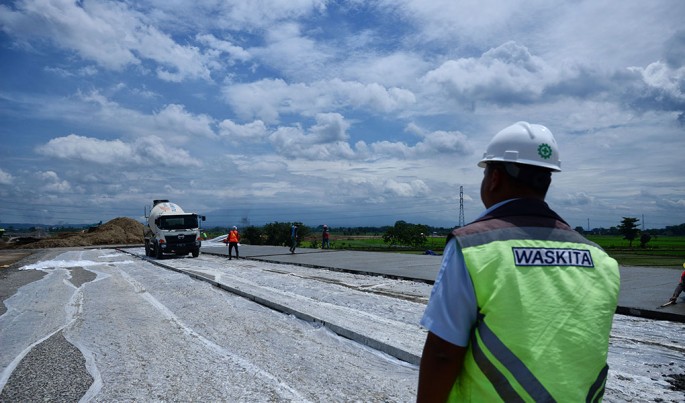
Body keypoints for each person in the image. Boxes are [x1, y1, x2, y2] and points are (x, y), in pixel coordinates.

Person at [417, 121, 621, 402]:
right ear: (547, 180)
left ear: (494, 178)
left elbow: (443, 354)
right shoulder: (600, 259)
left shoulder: (474, 246)